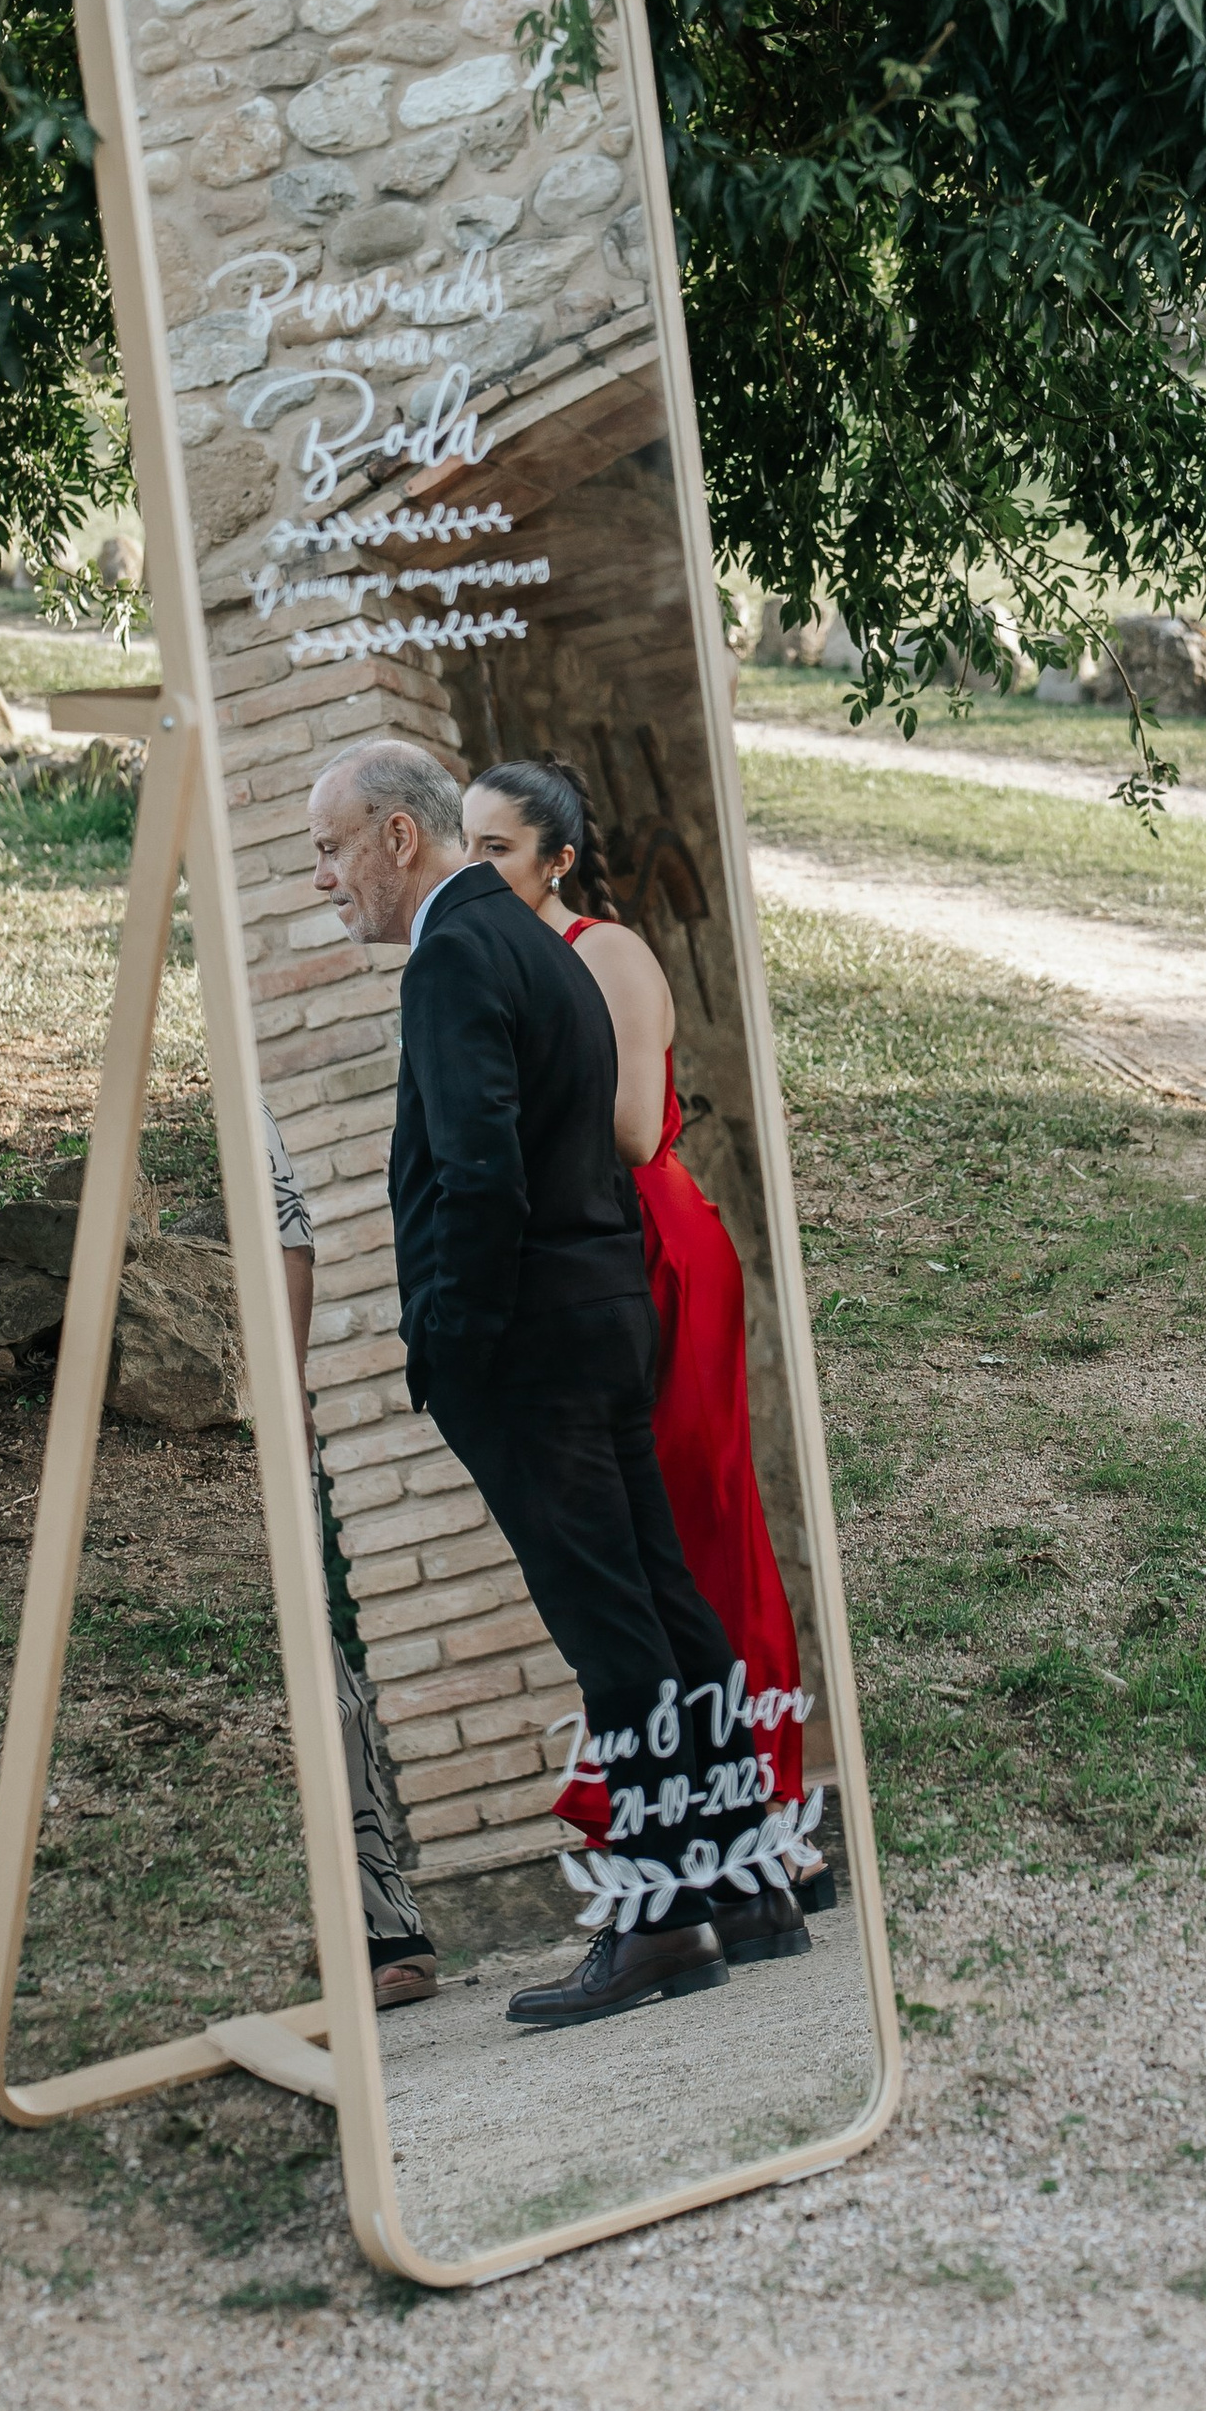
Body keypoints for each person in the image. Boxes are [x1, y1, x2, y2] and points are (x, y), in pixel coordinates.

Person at [306, 737, 806, 2025]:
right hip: (597, 1320)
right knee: (665, 1604)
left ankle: (655, 1920)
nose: (324, 878)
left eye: (330, 848)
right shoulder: (536, 941)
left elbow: (478, 1175)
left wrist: (453, 1346)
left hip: (530, 1343)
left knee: (611, 1630)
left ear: (398, 838)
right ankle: (742, 1880)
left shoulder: (460, 953)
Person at [459, 757, 829, 1918]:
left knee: (695, 1527)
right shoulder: (502, 966)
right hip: (596, 1259)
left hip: (655, 1245)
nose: (477, 874)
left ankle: (771, 1825)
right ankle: (711, 1819)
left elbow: (625, 1129)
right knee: (641, 1543)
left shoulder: (601, 952)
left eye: (496, 854)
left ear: (555, 861)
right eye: (462, 848)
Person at [259, 1099, 439, 2009]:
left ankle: (381, 1928)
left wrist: (285, 1397)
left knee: (321, 1675)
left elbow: (288, 1230)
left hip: (247, 1423)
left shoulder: (247, 1103)